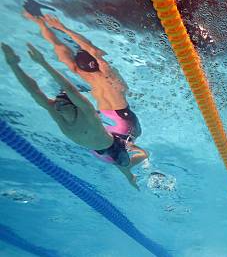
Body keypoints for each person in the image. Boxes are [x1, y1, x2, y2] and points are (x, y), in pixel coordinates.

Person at [2, 43, 146, 188]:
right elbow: (34, 91)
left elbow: (69, 88)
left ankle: (136, 165)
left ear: (74, 105)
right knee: (119, 164)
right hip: (98, 148)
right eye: (56, 104)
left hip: (114, 145)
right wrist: (14, 64)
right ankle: (130, 175)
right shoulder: (56, 112)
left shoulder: (86, 112)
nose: (56, 107)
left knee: (131, 161)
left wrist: (43, 63)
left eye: (61, 105)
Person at [23, 13, 143, 143]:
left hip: (108, 118)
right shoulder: (108, 73)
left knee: (120, 146)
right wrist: (63, 27)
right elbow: (92, 49)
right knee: (131, 141)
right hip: (123, 117)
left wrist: (42, 25)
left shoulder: (79, 71)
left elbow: (57, 45)